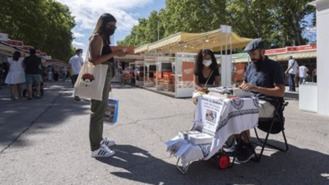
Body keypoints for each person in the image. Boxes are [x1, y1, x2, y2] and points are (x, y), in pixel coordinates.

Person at [236, 38, 285, 163]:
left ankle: (246, 146)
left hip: (269, 104)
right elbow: (245, 82)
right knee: (230, 106)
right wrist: (241, 87)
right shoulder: (250, 67)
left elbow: (280, 91)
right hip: (251, 100)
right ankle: (238, 141)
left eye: (253, 53)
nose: (251, 56)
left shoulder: (275, 66)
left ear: (263, 51)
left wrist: (256, 88)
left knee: (240, 111)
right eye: (249, 54)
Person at [88, 13, 125, 158]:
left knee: (100, 111)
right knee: (97, 112)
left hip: (104, 77)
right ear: (103, 24)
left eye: (114, 26)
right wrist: (113, 53)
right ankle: (95, 148)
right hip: (99, 76)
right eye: (111, 26)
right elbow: (94, 60)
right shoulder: (96, 37)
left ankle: (99, 140)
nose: (113, 28)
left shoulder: (103, 39)